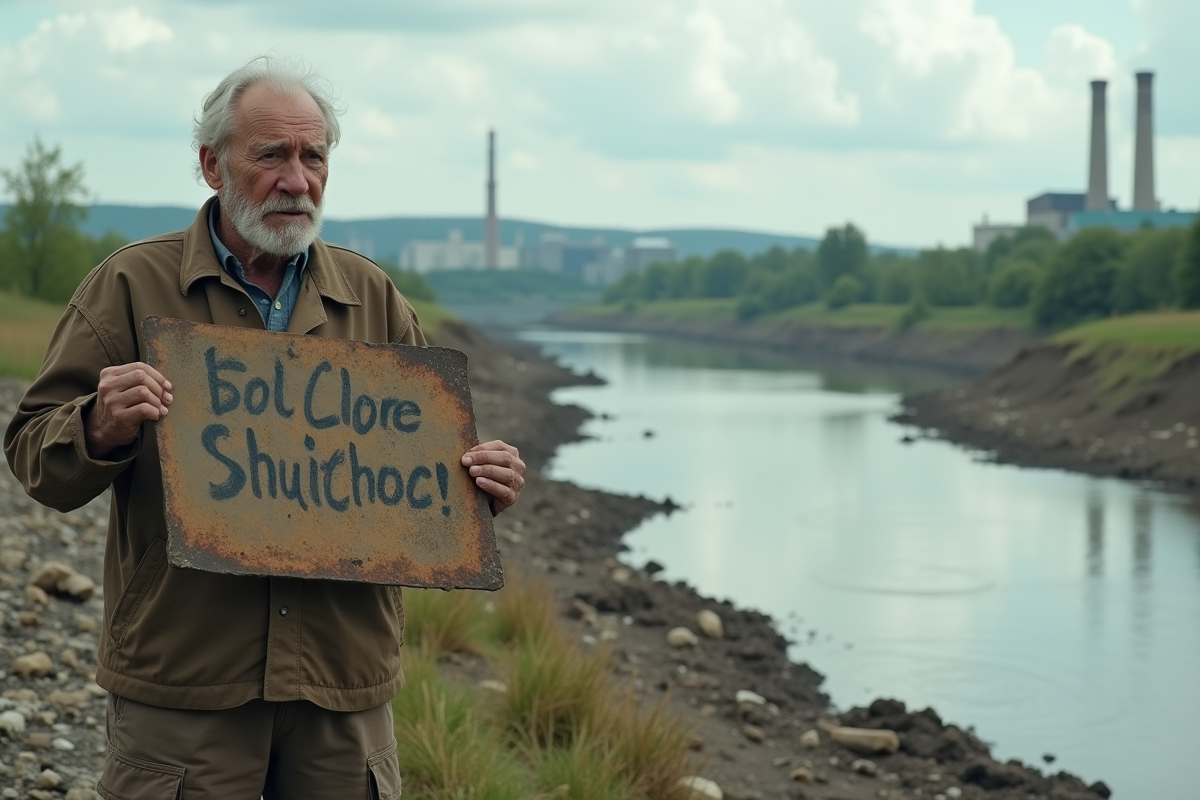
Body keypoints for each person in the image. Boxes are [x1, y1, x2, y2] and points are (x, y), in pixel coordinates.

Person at [4, 55, 525, 800]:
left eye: (314, 156)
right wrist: (97, 426)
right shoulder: (130, 286)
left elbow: (426, 473)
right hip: (185, 686)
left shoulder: (372, 296)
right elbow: (32, 452)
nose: (297, 179)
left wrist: (480, 485)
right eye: (271, 154)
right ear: (212, 164)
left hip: (341, 693)